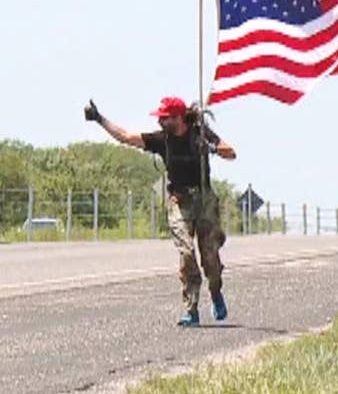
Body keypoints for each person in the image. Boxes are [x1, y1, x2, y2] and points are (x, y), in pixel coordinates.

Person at [84, 96, 237, 327]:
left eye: (165, 118)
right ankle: (191, 309)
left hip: (204, 201)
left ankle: (215, 292)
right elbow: (126, 137)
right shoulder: (161, 140)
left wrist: (211, 148)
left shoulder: (200, 133)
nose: (161, 121)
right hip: (179, 202)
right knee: (186, 253)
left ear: (178, 118)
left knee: (210, 259)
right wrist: (99, 119)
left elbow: (231, 153)